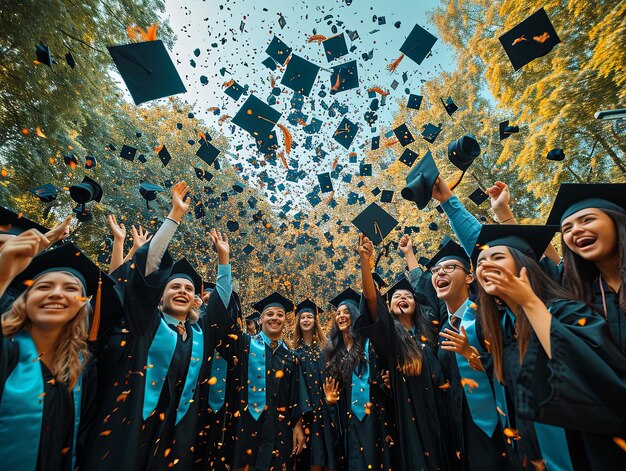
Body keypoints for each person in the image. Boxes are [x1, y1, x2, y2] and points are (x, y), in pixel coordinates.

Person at [82, 181, 231, 470]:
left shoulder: (199, 336)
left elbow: (221, 306)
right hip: (128, 420)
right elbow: (149, 268)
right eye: (174, 286)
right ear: (159, 296)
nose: (182, 291)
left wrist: (223, 260)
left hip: (175, 431)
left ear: (194, 302)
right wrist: (174, 216)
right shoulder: (144, 326)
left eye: (189, 289)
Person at [472, 223, 626, 470]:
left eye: (497, 257)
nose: (486, 266)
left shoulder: (569, 311)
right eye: (480, 262)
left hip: (585, 452)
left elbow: (594, 376)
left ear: (524, 265)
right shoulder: (502, 328)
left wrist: (530, 303)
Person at [0, 231, 107, 470]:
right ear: (24, 299)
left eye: (70, 289)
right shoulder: (7, 348)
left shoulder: (83, 365)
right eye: (44, 286)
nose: (57, 293)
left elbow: (84, 431)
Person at [356, 235, 449, 470]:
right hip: (412, 414)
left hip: (444, 407)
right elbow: (371, 300)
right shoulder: (390, 336)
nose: (403, 298)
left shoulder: (430, 327)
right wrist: (365, 263)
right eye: (396, 296)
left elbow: (424, 289)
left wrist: (409, 254)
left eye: (408, 296)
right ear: (390, 307)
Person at [429, 239, 517, 470]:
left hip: (504, 419)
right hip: (465, 428)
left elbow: (514, 362)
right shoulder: (444, 331)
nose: (440, 272)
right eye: (436, 270)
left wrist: (471, 354)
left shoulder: (491, 314)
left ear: (470, 277)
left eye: (450, 267)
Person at [207, 276, 310, 471]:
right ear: (260, 318)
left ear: (285, 321)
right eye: (269, 314)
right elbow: (219, 325)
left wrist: (298, 425)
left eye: (280, 315)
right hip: (245, 428)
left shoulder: (292, 357)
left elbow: (296, 394)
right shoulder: (244, 345)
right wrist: (224, 264)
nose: (274, 318)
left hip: (280, 432)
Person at [547, 183, 626, 355]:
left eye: (587, 219)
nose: (575, 230)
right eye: (567, 229)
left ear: (617, 221)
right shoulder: (580, 294)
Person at [322, 288, 391, 471]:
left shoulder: (369, 345)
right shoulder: (333, 353)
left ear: (355, 315)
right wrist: (330, 400)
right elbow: (334, 391)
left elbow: (382, 380)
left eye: (346, 312)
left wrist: (386, 384)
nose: (341, 316)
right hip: (348, 419)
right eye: (338, 313)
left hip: (375, 416)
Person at [292, 299, 338, 471]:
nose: (306, 320)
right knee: (313, 458)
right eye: (302, 317)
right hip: (307, 413)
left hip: (327, 409)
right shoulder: (294, 353)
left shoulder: (326, 350)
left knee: (331, 455)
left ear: (315, 321)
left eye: (309, 317)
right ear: (298, 322)